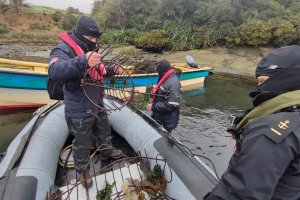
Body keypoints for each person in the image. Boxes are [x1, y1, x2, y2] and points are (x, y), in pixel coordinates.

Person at [204, 45, 300, 199]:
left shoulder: (271, 130)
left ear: (285, 78)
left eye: (262, 81)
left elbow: (240, 193)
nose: (259, 87)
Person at [48, 16, 123, 188]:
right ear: (80, 34)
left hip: (97, 102)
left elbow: (99, 72)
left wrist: (112, 70)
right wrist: (83, 60)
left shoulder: (92, 48)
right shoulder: (63, 49)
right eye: (90, 38)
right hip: (79, 107)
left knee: (104, 129)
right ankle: (83, 171)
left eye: (96, 38)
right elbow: (54, 71)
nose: (94, 41)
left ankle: (106, 151)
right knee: (82, 143)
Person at [147, 59, 181, 133]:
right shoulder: (165, 77)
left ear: (162, 71)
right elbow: (162, 94)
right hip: (159, 117)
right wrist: (153, 96)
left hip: (167, 121)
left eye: (158, 71)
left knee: (164, 138)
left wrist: (153, 106)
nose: (157, 73)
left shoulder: (173, 83)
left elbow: (173, 104)